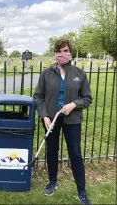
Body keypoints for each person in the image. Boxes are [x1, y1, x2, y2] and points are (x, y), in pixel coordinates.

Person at [33, 39, 92, 205]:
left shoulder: (79, 74)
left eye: (65, 51)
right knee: (52, 151)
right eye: (59, 51)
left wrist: (74, 104)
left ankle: (81, 191)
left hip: (72, 120)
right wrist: (44, 115)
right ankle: (52, 182)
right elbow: (38, 96)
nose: (62, 54)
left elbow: (87, 98)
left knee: (75, 154)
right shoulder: (46, 73)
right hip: (51, 119)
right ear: (55, 53)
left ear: (70, 53)